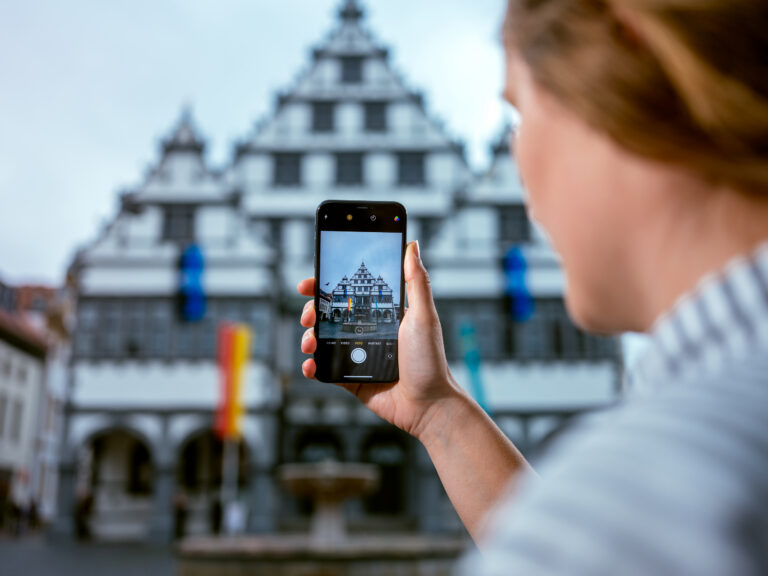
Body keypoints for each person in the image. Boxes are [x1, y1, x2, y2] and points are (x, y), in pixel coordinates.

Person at [298, 0, 768, 573]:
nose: (516, 164)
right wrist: (439, 411)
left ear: (626, 66)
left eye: (519, 116)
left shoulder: (669, 482)